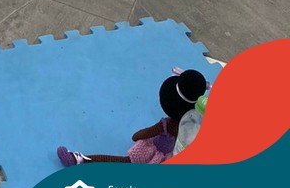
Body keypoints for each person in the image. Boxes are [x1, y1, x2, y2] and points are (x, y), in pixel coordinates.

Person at [57, 68, 208, 166]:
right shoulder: (193, 126)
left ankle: (80, 159)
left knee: (122, 163)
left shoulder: (166, 125)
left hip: (151, 154)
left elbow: (137, 136)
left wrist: (139, 136)